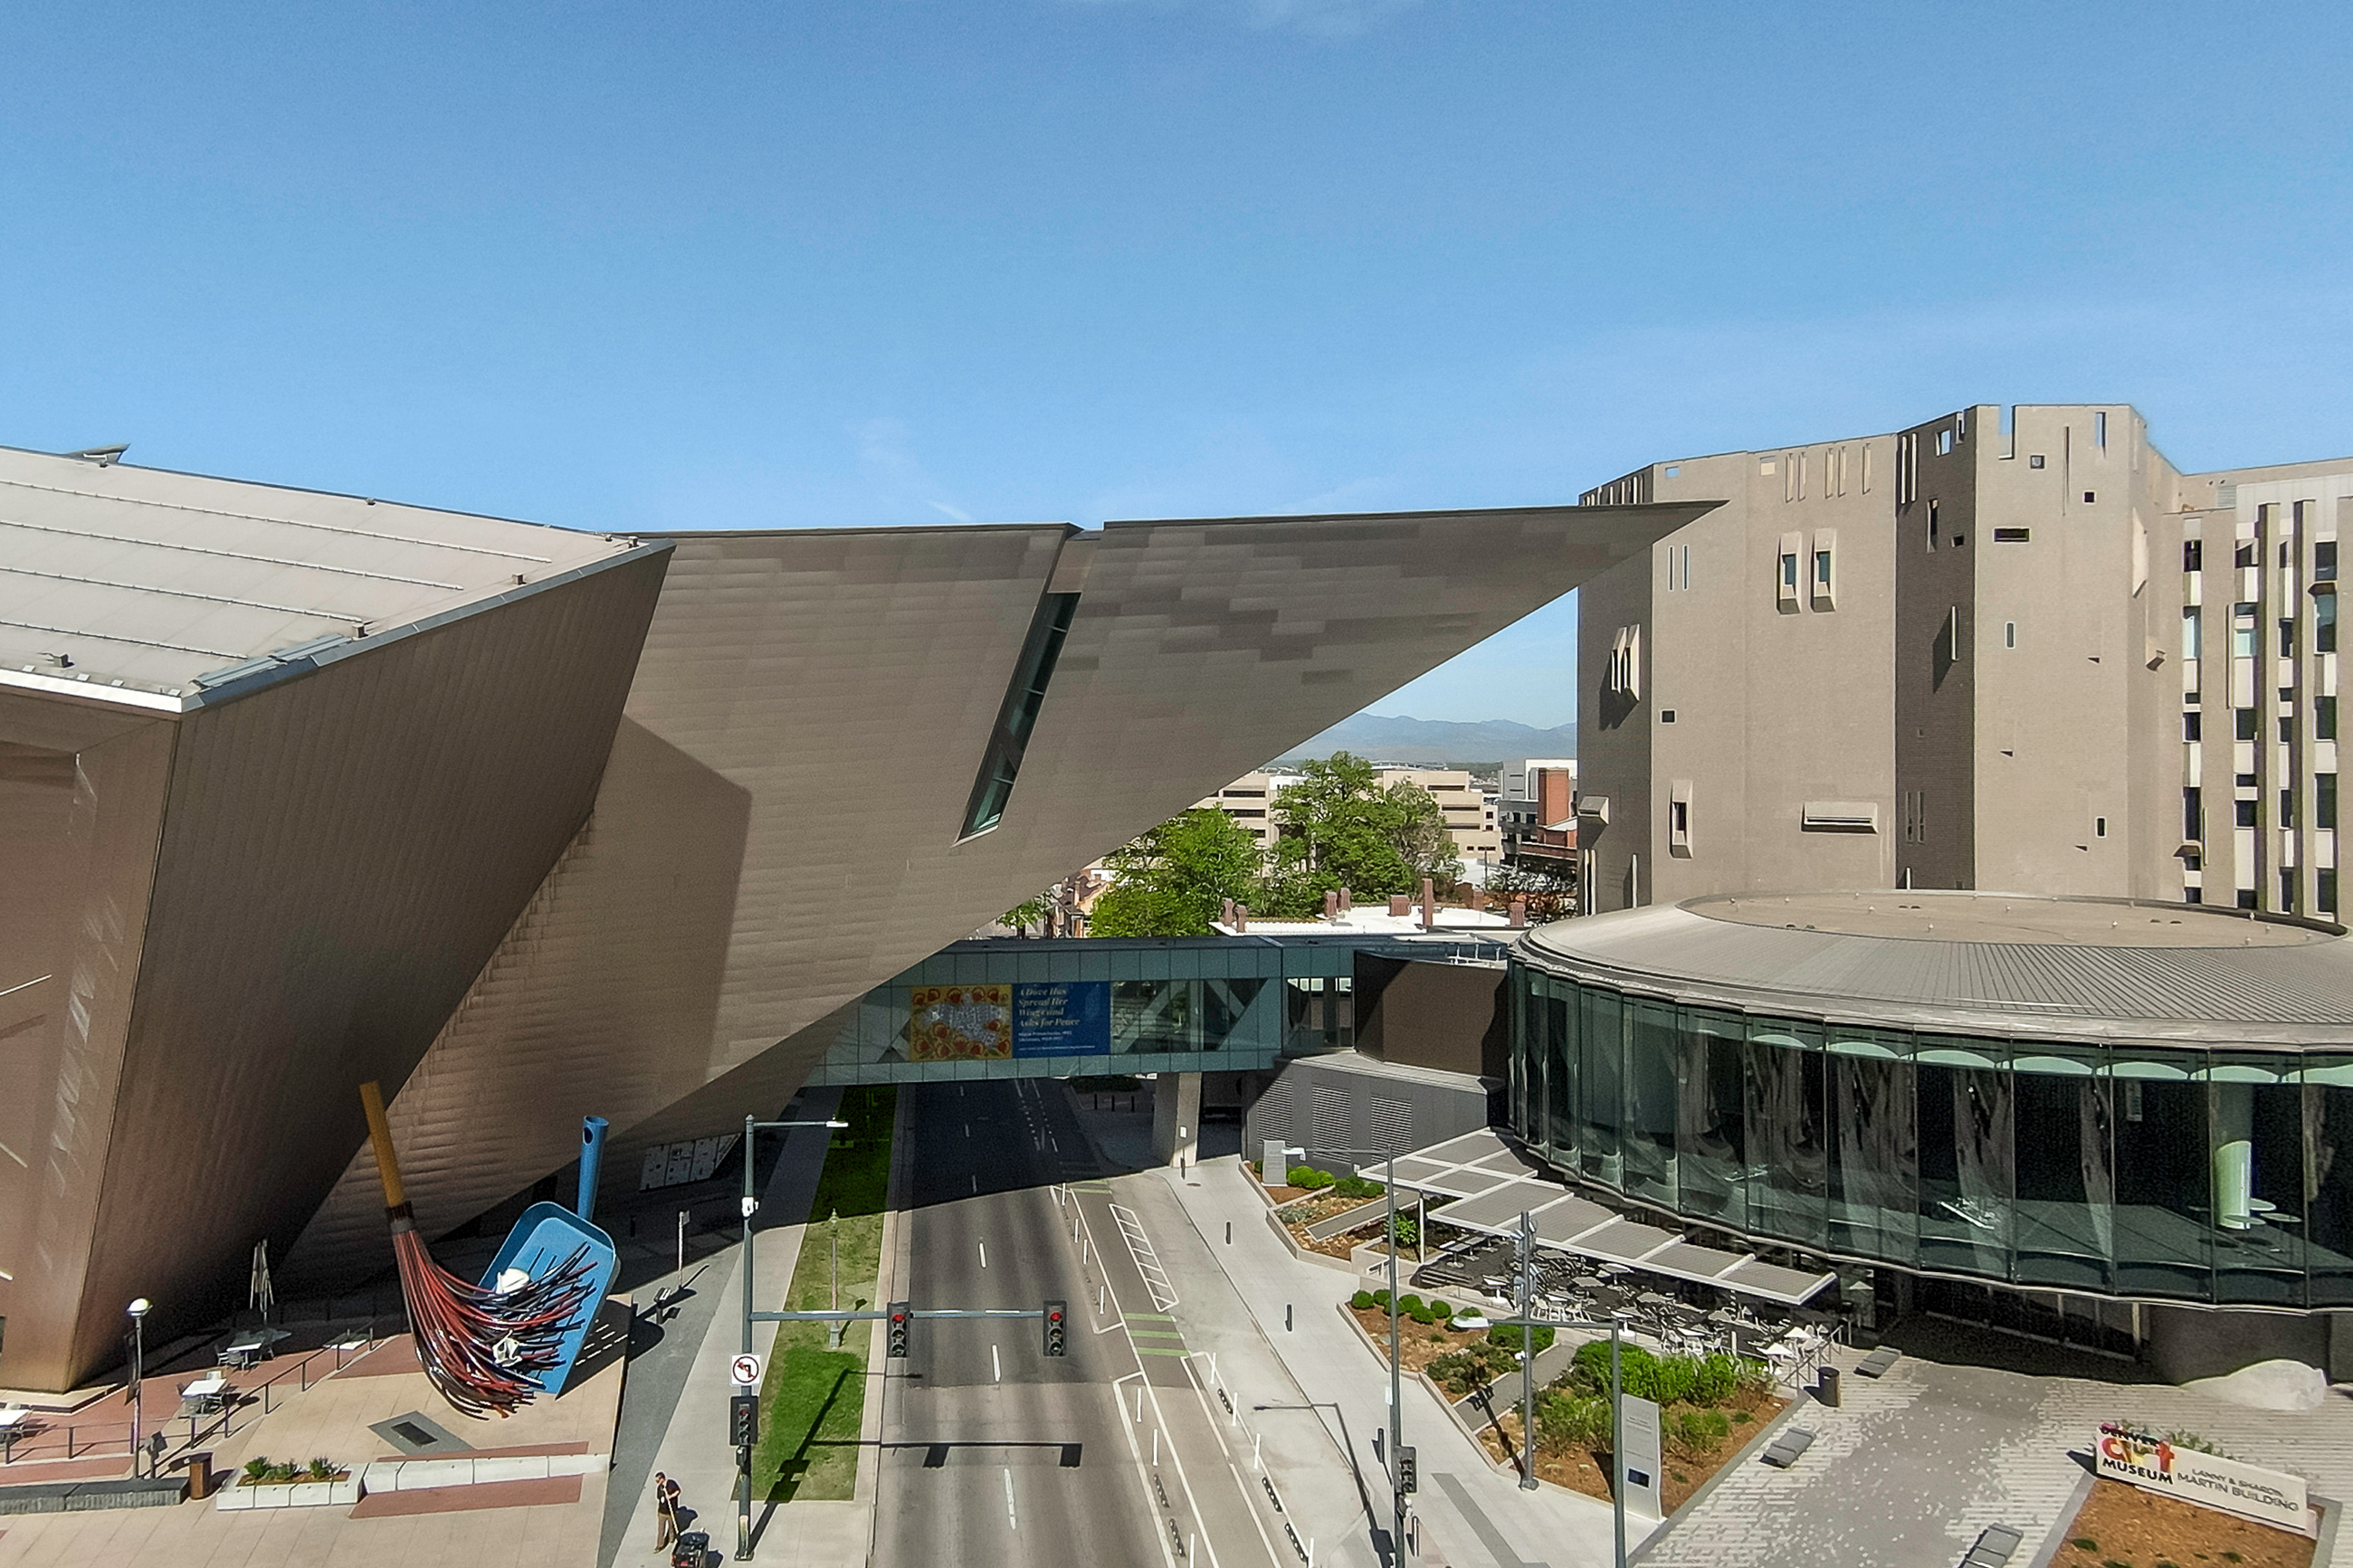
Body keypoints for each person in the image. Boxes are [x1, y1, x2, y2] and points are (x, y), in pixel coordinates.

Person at [653, 1469, 677, 1549]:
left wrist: (670, 1496)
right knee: (661, 1529)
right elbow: (658, 1497)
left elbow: (678, 1491)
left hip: (670, 1511)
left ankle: (671, 1538)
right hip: (662, 1512)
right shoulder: (659, 1488)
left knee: (671, 1526)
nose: (657, 1483)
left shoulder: (671, 1484)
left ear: (662, 1478)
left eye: (658, 1480)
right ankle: (660, 1544)